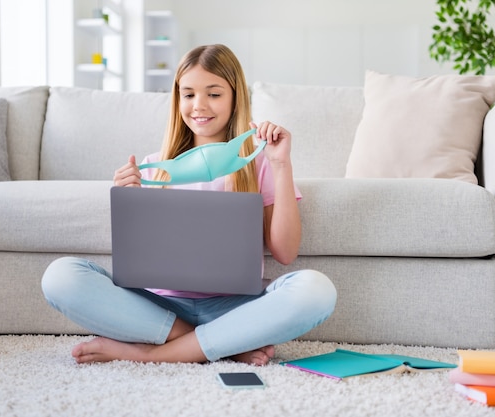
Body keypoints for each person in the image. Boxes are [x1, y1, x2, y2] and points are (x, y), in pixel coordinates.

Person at [41, 44, 337, 366]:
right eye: (189, 94)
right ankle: (222, 342)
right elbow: (137, 260)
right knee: (60, 276)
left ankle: (152, 354)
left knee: (316, 290)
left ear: (235, 97)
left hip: (233, 306)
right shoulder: (152, 168)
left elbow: (285, 252)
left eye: (214, 94)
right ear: (177, 99)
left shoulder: (258, 164)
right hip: (157, 307)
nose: (199, 106)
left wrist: (281, 165)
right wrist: (129, 200)